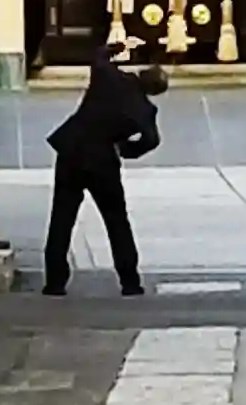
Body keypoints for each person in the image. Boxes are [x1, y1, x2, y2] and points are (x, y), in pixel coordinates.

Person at [42, 41, 168, 297]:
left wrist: (117, 47)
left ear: (141, 72)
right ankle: (129, 281)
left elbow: (98, 57)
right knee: (116, 221)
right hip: (103, 161)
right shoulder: (144, 109)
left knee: (62, 218)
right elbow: (151, 140)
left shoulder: (108, 77)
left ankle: (55, 281)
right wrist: (124, 149)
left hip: (72, 150)